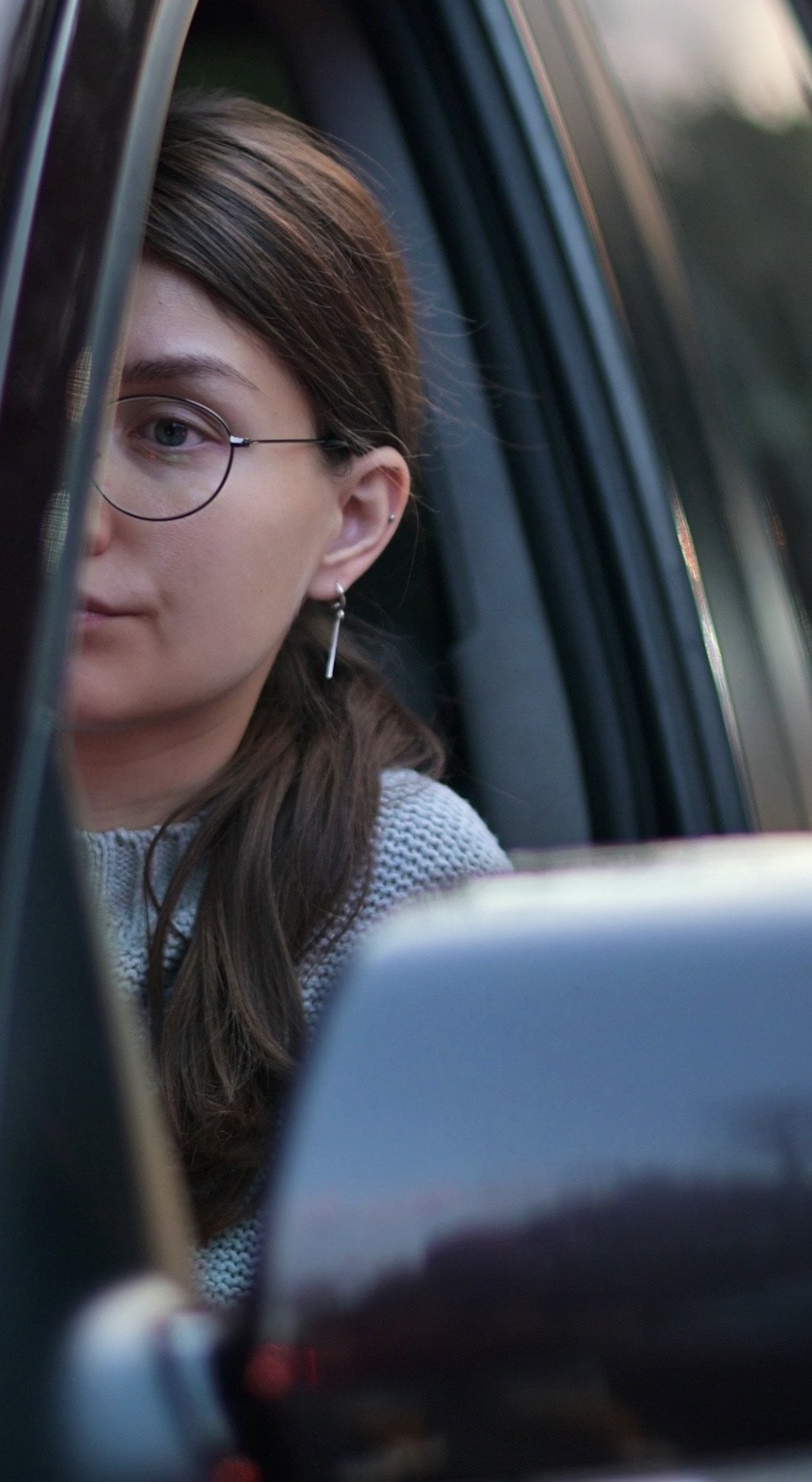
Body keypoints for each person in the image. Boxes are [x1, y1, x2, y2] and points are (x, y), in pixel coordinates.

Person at [63, 92, 506, 1302]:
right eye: (22, 420)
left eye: (168, 430)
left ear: (352, 521)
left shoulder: (407, 901)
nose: (69, 513)